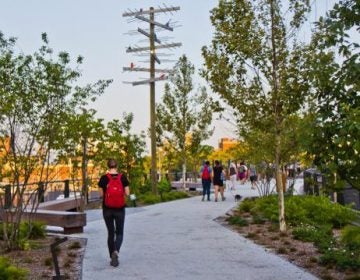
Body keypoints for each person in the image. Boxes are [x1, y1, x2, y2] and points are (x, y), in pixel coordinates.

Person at [98, 159, 130, 267]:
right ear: (117, 166)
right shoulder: (122, 177)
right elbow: (127, 193)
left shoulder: (103, 178)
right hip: (120, 209)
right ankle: (115, 252)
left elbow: (101, 194)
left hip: (107, 209)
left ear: (108, 166)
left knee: (110, 233)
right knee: (119, 233)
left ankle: (112, 255)